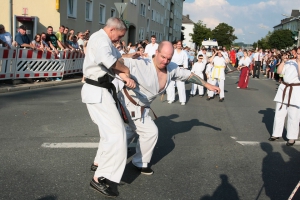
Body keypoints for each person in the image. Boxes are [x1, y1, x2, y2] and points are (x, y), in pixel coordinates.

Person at [113, 41, 220, 177]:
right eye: (163, 57)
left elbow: (189, 76)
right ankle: (139, 162)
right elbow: (114, 61)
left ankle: (103, 158)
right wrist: (128, 58)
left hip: (143, 107)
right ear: (156, 52)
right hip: (129, 102)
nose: (165, 61)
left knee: (130, 131)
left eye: (169, 58)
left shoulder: (172, 68)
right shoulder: (141, 63)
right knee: (150, 132)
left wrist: (207, 85)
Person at [81, 17, 136, 198]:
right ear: (112, 29)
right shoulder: (100, 39)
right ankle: (100, 178)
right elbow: (110, 61)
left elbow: (117, 58)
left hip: (100, 90)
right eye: (118, 36)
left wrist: (128, 62)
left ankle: (100, 164)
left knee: (109, 134)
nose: (118, 40)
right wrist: (125, 71)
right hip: (98, 91)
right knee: (117, 135)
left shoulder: (103, 39)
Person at [268, 47, 300, 146]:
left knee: (293, 115)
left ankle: (292, 137)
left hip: (295, 90)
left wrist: (298, 62)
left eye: (298, 53)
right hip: (284, 88)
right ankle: (276, 134)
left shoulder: (297, 63)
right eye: (296, 53)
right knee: (279, 112)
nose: (296, 54)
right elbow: (279, 72)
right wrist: (283, 61)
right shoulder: (289, 62)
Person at [166, 40, 189, 105]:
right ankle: (171, 98)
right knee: (171, 84)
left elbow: (185, 61)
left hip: (181, 68)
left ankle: (182, 100)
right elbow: (169, 59)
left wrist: (186, 69)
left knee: (181, 84)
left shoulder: (184, 52)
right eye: (178, 44)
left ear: (181, 45)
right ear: (176, 44)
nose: (179, 45)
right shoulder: (173, 51)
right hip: (173, 68)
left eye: (180, 44)